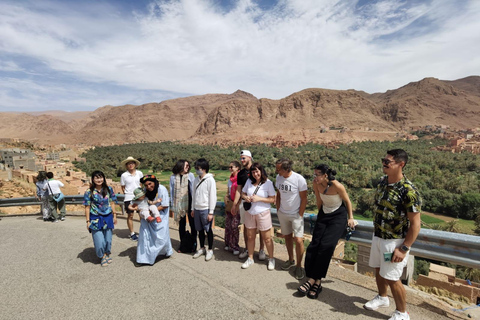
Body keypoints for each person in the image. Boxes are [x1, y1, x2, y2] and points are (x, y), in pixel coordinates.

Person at [363, 149, 421, 320]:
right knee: (379, 269)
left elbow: (416, 224)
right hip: (378, 236)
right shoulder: (382, 182)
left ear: (401, 164)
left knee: (392, 278)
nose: (384, 163)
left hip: (394, 242)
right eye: (383, 160)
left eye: (388, 161)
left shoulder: (408, 191)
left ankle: (402, 313)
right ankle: (382, 298)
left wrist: (404, 248)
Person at [297, 164, 355, 299]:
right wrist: (320, 216)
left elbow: (347, 201)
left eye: (317, 175)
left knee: (326, 247)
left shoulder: (337, 186)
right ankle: (315, 279)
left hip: (338, 216)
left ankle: (313, 280)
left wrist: (351, 218)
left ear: (325, 175)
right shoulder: (316, 184)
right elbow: (319, 200)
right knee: (314, 245)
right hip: (324, 214)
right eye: (314, 175)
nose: (315, 177)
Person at [275, 158, 308, 280]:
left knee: (298, 240)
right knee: (287, 237)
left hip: (295, 215)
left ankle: (299, 266)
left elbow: (304, 198)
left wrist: (300, 214)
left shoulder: (299, 179)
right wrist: (278, 210)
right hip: (283, 213)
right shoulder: (279, 178)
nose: (276, 171)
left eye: (278, 169)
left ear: (286, 169)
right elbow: (278, 194)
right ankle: (290, 260)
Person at [240, 163, 276, 270]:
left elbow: (272, 199)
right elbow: (242, 193)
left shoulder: (268, 183)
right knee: (250, 236)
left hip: (263, 213)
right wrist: (245, 197)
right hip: (250, 212)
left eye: (257, 171)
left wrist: (259, 199)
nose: (255, 174)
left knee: (267, 238)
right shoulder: (248, 182)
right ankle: (250, 258)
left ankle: (271, 258)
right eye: (253, 172)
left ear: (261, 171)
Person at [232, 150, 265, 260]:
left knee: (260, 228)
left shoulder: (258, 169)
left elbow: (265, 184)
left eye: (244, 158)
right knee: (247, 227)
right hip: (246, 205)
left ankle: (261, 250)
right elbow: (239, 190)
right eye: (241, 158)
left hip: (259, 204)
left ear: (250, 158)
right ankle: (247, 249)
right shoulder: (241, 174)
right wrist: (235, 204)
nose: (241, 160)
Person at [83, 171, 118, 267]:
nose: (99, 180)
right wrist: (87, 221)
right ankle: (102, 256)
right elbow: (87, 207)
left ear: (104, 178)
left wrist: (114, 215)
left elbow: (112, 202)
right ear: (93, 179)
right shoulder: (89, 192)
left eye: (101, 177)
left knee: (108, 239)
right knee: (99, 240)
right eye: (96, 178)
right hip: (95, 218)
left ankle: (107, 253)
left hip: (108, 217)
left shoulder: (109, 189)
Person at [136, 175, 173, 265]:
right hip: (148, 216)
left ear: (154, 182)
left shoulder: (162, 189)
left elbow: (164, 205)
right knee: (145, 236)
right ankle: (144, 259)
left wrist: (152, 210)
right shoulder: (145, 191)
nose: (148, 187)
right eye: (146, 185)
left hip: (160, 216)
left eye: (150, 184)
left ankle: (165, 252)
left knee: (161, 237)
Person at [191, 158, 217, 262]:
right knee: (199, 230)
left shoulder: (210, 179)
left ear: (204, 169)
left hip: (205, 209)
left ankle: (210, 249)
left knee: (208, 230)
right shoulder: (195, 180)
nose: (197, 170)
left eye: (199, 168)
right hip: (197, 208)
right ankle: (202, 248)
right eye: (196, 168)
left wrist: (211, 212)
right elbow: (193, 195)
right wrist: (193, 208)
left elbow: (212, 196)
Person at [169, 159, 196, 253]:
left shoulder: (190, 175)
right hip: (179, 205)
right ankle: (183, 244)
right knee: (181, 225)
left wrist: (194, 206)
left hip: (190, 203)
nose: (188, 167)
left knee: (193, 225)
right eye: (186, 166)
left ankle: (193, 244)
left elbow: (193, 190)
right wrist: (173, 205)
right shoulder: (173, 177)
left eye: (188, 166)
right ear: (180, 166)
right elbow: (172, 192)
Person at [120, 156, 143, 241]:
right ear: (126, 165)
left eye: (132, 163)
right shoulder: (124, 175)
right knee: (130, 215)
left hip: (139, 197)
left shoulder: (140, 173)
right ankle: (132, 233)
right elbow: (123, 187)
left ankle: (143, 231)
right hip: (129, 197)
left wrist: (139, 193)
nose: (131, 165)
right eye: (129, 163)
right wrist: (127, 193)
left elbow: (141, 184)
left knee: (141, 214)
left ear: (135, 164)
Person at [224, 160, 241, 255]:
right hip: (229, 204)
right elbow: (228, 191)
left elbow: (241, 192)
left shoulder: (240, 179)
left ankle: (235, 246)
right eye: (229, 167)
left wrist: (237, 205)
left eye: (232, 167)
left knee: (234, 226)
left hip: (237, 205)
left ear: (238, 168)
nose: (230, 169)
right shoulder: (230, 180)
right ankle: (228, 244)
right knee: (228, 225)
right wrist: (225, 197)